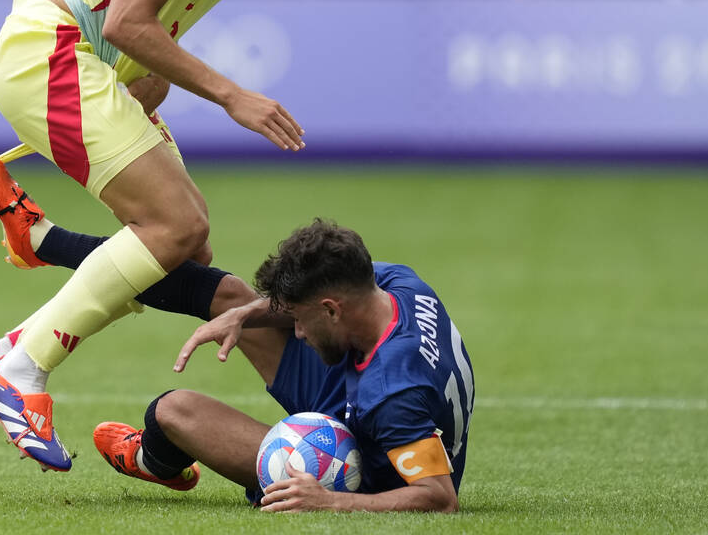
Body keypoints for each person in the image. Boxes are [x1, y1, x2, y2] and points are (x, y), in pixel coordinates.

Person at [0, 0, 372, 473]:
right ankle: (21, 367)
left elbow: (158, 19)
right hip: (47, 52)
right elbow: (126, 18)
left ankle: (28, 286)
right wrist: (231, 95)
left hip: (88, 65)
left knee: (186, 251)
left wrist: (148, 75)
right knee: (172, 225)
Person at [91, 219, 475, 513]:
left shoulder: (391, 393)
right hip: (356, 398)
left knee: (173, 412)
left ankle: (152, 462)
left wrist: (328, 501)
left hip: (351, 469)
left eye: (301, 320)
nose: (299, 332)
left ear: (330, 310)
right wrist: (243, 314)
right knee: (231, 299)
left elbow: (440, 498)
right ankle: (54, 244)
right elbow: (326, 292)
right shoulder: (401, 285)